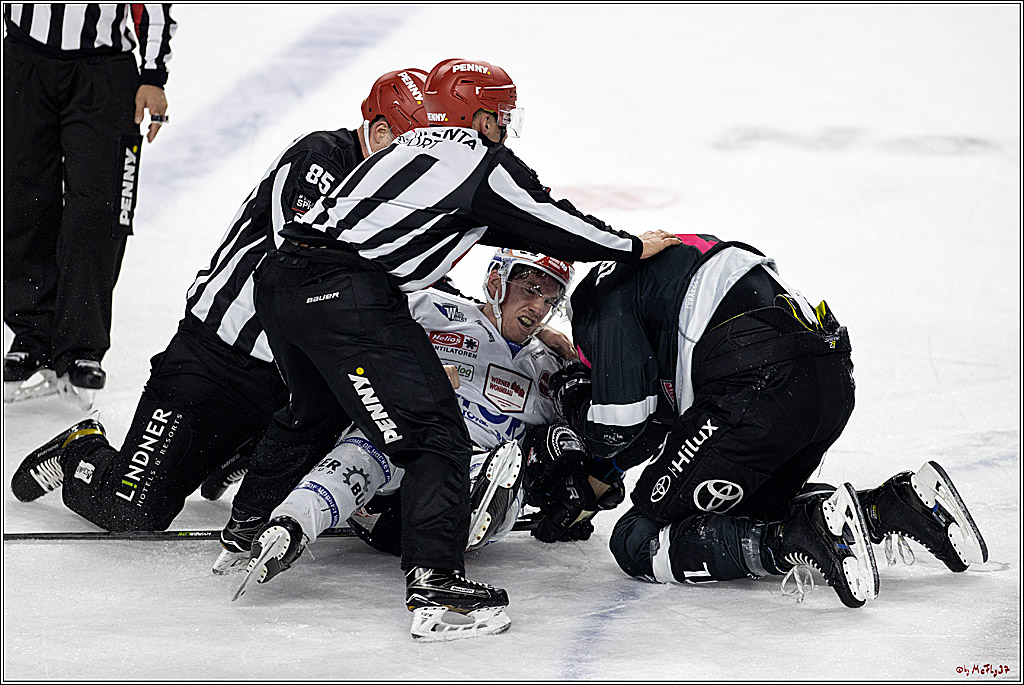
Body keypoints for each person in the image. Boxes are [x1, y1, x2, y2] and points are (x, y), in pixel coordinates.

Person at [226, 56, 681, 640]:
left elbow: (503, 226)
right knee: (437, 432)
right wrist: (628, 247)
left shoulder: (409, 150)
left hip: (282, 280)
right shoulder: (476, 160)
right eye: (500, 115)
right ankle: (437, 588)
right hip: (351, 290)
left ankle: (249, 525)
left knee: (315, 411)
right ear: (477, 113)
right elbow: (545, 219)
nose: (504, 127)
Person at [9, 69, 432, 533]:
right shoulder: (321, 159)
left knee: (280, 515)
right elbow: (311, 266)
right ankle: (81, 448)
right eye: (413, 153)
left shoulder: (402, 198)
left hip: (287, 381)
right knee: (130, 511)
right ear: (379, 132)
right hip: (212, 359)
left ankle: (238, 449)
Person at [540, 234, 988, 607]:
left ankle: (797, 535)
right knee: (737, 516)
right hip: (825, 383)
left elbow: (619, 425)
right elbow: (660, 425)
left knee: (637, 539)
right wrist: (601, 476)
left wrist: (573, 395)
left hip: (758, 386)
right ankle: (894, 505)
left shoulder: (599, 302)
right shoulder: (659, 279)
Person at [228, 251, 585, 619]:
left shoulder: (551, 364)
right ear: (496, 283)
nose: (539, 307)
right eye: (530, 290)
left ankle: (476, 506)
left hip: (460, 483)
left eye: (550, 299)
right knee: (372, 445)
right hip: (389, 487)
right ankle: (290, 526)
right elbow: (341, 331)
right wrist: (408, 378)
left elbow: (585, 433)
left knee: (502, 465)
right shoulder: (432, 309)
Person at [3, 4, 177, 409]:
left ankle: (82, 346)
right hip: (24, 62)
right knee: (22, 201)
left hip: (103, 73)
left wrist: (153, 75)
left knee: (99, 211)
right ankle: (31, 334)